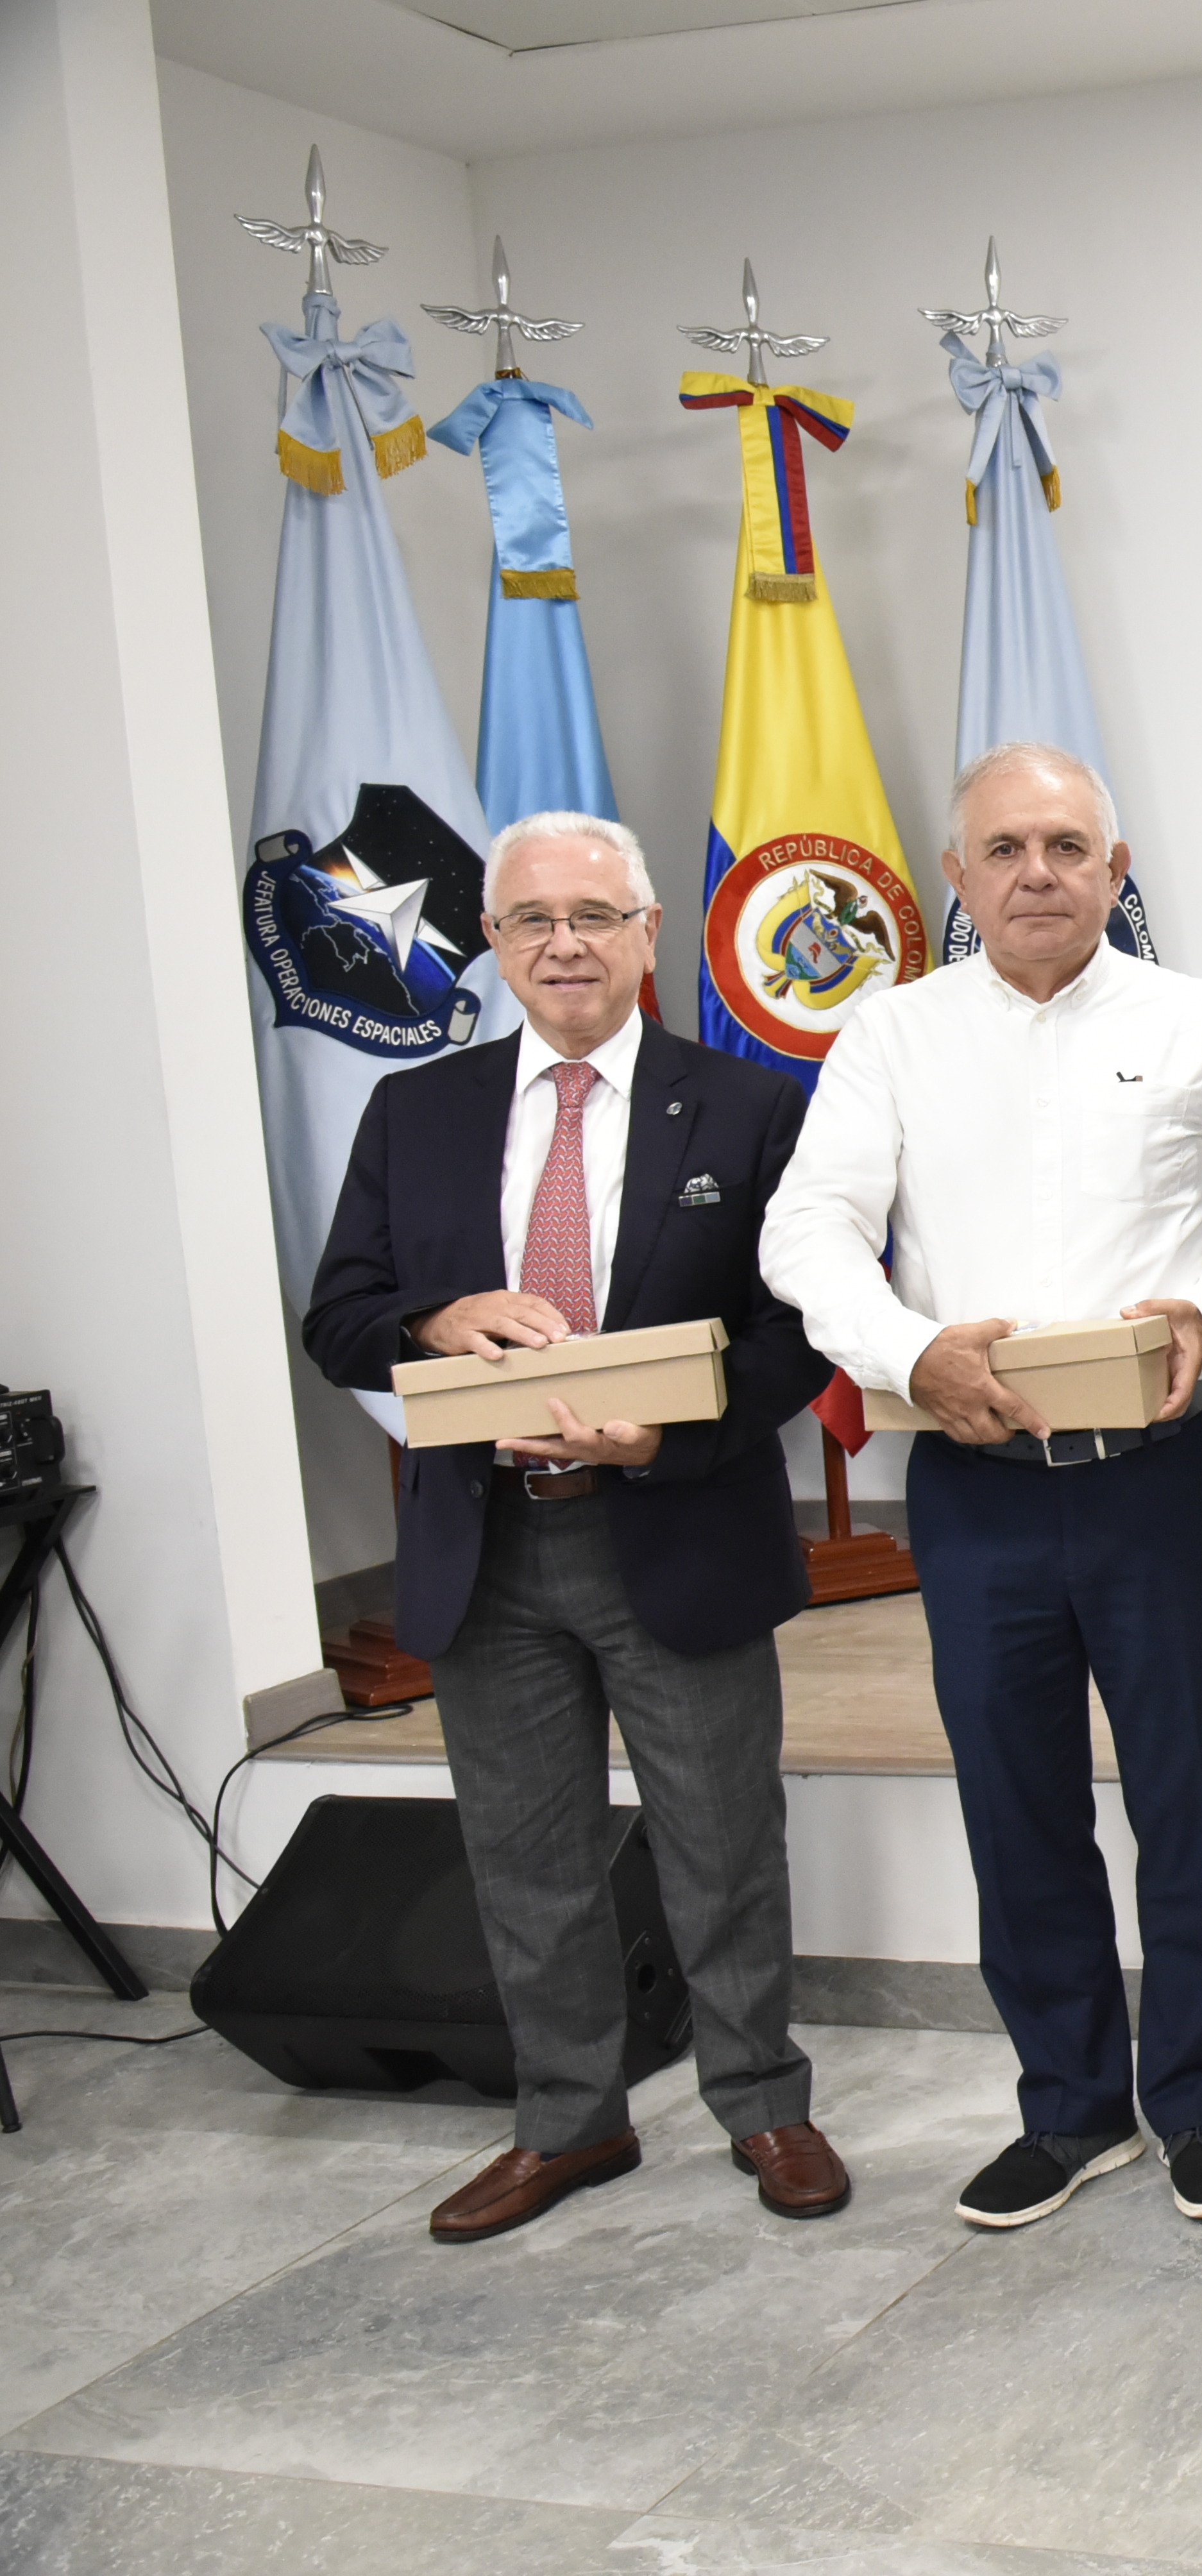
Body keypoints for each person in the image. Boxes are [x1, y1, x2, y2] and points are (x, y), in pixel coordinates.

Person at [761, 740, 1202, 2232]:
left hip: (1162, 1475)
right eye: (1006, 848)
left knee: (1189, 1799)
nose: (1038, 872)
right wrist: (912, 1351)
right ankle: (1069, 2112)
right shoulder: (892, 1036)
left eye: (1069, 846)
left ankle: (1196, 2105)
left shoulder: (1198, 1023)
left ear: (1118, 873)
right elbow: (806, 1235)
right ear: (957, 875)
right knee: (1017, 1804)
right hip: (976, 1482)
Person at [304, 813, 843, 2242]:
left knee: (721, 1841)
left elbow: (802, 1330)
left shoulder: (746, 1106)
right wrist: (434, 1314)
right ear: (491, 940)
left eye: (596, 916)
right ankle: (569, 2125)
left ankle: (764, 2104)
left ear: (649, 934)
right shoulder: (414, 1111)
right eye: (534, 918)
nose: (565, 943)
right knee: (525, 1851)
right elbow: (337, 1311)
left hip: (675, 1526)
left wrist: (679, 1425)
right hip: (484, 1543)